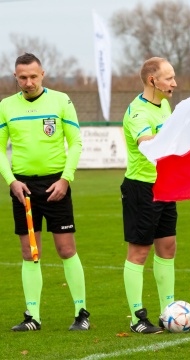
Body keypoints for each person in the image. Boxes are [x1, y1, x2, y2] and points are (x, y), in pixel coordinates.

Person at [0, 53, 89, 331]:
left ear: (43, 74)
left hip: (56, 185)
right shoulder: (6, 106)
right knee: (30, 253)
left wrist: (66, 179)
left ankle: (81, 314)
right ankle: (33, 317)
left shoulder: (61, 101)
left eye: (33, 76)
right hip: (22, 188)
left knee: (66, 249)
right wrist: (11, 181)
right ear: (16, 77)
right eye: (23, 77)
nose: (28, 82)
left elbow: (75, 143)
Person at [121, 57, 190, 334]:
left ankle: (169, 313)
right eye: (169, 78)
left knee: (168, 247)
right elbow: (146, 146)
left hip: (165, 186)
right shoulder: (138, 112)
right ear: (152, 80)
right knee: (139, 251)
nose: (174, 83)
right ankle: (137, 317)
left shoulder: (164, 104)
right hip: (142, 188)